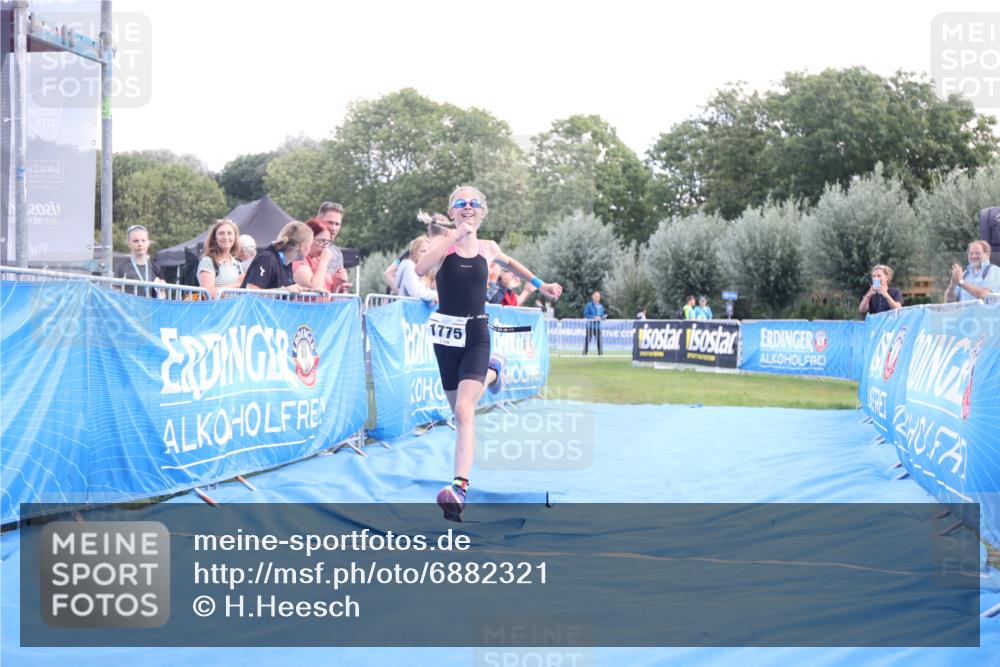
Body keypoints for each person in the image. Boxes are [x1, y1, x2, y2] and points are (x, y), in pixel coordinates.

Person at [415, 185, 562, 522]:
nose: (467, 207)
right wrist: (454, 237)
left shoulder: (488, 248)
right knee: (458, 411)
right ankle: (495, 370)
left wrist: (542, 285)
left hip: (477, 333)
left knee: (464, 409)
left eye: (474, 203)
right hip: (446, 338)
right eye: (460, 203)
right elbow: (421, 268)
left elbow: (513, 265)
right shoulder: (444, 244)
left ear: (483, 212)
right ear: (451, 212)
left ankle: (459, 487)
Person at [384, 212, 451, 292]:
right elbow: (388, 273)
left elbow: (388, 273)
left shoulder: (451, 248)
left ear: (429, 228)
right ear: (448, 231)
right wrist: (407, 295)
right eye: (423, 251)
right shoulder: (418, 246)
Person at [245, 221, 313, 292]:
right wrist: (284, 290)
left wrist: (310, 291)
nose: (310, 249)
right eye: (310, 245)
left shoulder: (287, 263)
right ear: (302, 246)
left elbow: (289, 289)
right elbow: (251, 291)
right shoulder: (267, 259)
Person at [293, 217, 351, 293]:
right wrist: (324, 261)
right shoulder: (299, 261)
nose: (325, 246)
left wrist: (337, 283)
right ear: (309, 239)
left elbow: (327, 292)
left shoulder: (318, 261)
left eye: (327, 242)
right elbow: (315, 289)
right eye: (322, 241)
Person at [114, 224, 167, 298]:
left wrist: (162, 288)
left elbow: (163, 294)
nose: (140, 244)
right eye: (135, 241)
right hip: (130, 305)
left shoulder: (156, 267)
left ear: (148, 243)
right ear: (129, 243)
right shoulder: (121, 267)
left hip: (150, 305)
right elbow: (115, 292)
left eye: (143, 240)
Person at [197, 219, 244, 299]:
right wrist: (236, 284)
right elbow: (207, 294)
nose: (226, 237)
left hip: (235, 307)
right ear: (214, 238)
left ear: (235, 237)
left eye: (229, 233)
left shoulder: (238, 264)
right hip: (216, 307)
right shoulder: (208, 261)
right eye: (221, 233)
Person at [395, 235, 438, 302]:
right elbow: (416, 292)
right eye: (423, 251)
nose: (427, 254)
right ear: (414, 253)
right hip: (408, 308)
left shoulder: (426, 269)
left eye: (429, 251)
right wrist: (436, 296)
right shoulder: (409, 267)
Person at [583, 291, 606, 355]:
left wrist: (603, 317)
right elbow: (585, 314)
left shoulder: (601, 306)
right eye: (596, 297)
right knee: (587, 340)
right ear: (593, 297)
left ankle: (600, 354)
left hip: (598, 326)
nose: (597, 298)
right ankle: (584, 353)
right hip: (590, 326)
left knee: (599, 341)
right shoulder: (589, 305)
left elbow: (602, 315)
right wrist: (594, 317)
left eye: (598, 297)